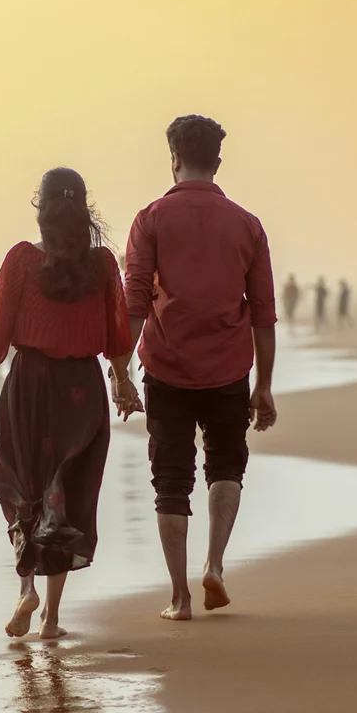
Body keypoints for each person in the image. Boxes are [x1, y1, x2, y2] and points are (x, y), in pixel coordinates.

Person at [0, 167, 141, 640]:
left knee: (25, 486)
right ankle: (52, 620)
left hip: (29, 385)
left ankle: (27, 588)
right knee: (67, 495)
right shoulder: (104, 265)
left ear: (41, 209)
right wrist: (123, 381)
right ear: (83, 210)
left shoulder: (23, 261)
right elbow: (117, 336)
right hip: (80, 389)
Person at [123, 115, 277, 621]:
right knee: (226, 466)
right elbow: (263, 312)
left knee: (170, 480)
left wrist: (120, 368)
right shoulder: (247, 224)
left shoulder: (150, 219)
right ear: (217, 160)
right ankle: (214, 563)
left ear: (174, 159)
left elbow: (135, 299)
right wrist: (265, 386)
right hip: (230, 368)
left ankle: (179, 597)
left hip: (166, 367)